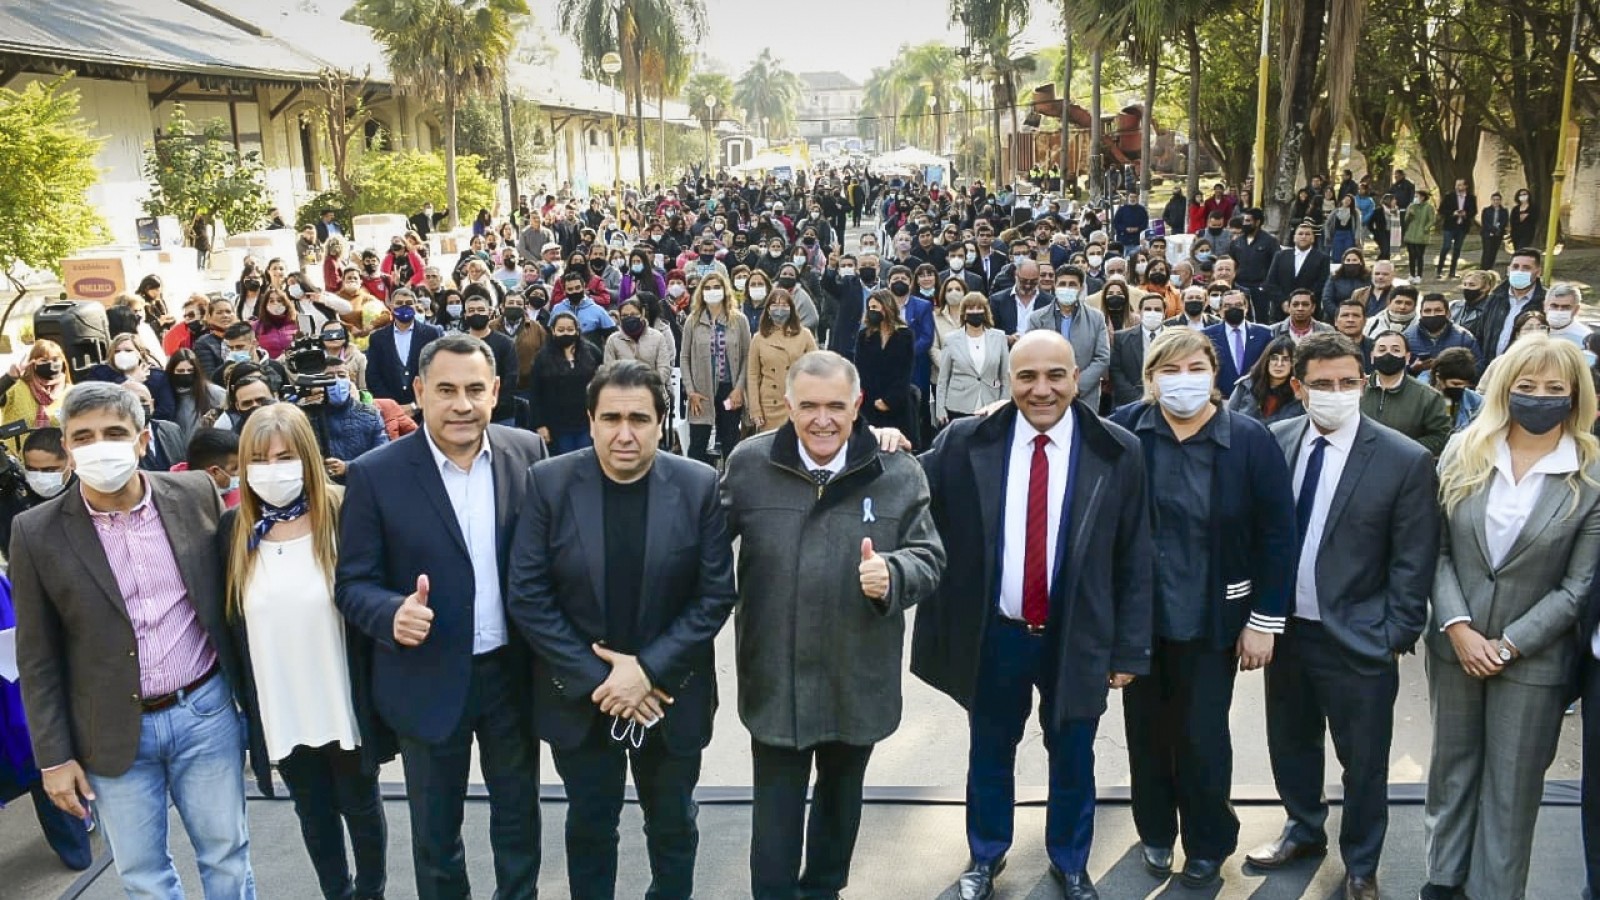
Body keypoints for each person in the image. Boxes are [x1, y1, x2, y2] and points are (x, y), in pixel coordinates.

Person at [916, 331, 1152, 900]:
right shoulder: (966, 441)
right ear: (1008, 381)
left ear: (1077, 378)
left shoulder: (1117, 450)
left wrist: (1128, 648)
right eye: (1026, 377)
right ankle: (985, 856)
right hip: (998, 632)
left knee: (1073, 751)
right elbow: (907, 488)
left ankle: (1070, 862)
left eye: (1055, 376)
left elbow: (1135, 553)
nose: (1041, 389)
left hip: (1078, 635)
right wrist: (876, 440)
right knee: (990, 749)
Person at [11, 382, 254, 897]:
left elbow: (232, 599)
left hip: (204, 713)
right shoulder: (35, 532)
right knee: (142, 875)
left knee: (227, 856)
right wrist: (53, 758)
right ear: (69, 449)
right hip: (110, 731)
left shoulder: (194, 495)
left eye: (115, 432)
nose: (101, 445)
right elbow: (37, 658)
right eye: (85, 436)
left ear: (143, 440)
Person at [504, 359, 736, 899]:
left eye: (639, 418)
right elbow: (529, 594)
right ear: (590, 421)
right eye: (611, 418)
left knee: (674, 826)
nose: (624, 433)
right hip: (582, 697)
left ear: (662, 422)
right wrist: (603, 682)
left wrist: (648, 672)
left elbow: (715, 593)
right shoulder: (549, 483)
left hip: (669, 694)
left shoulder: (698, 484)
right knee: (589, 828)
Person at [722, 349, 943, 899]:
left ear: (858, 406)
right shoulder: (749, 464)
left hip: (856, 672)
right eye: (810, 406)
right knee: (773, 824)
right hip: (773, 675)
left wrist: (893, 573)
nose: (823, 420)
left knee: (840, 804)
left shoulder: (898, 471)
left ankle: (824, 889)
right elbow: (699, 552)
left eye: (837, 407)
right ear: (788, 406)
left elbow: (930, 555)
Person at [335, 334, 547, 900]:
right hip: (426, 679)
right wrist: (390, 613)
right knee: (435, 835)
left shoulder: (528, 453)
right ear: (418, 392)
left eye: (475, 389)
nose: (462, 404)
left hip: (511, 676)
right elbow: (351, 583)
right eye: (447, 390)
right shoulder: (375, 474)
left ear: (496, 392)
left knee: (520, 821)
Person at [1248, 333, 1440, 900]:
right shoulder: (1274, 441)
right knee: (1290, 743)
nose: (1336, 393)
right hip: (1286, 634)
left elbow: (1415, 557)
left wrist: (1395, 634)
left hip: (1360, 639)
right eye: (1323, 384)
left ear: (1361, 383)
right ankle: (1304, 830)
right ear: (1299, 387)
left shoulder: (1405, 459)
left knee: (1363, 763)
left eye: (1347, 383)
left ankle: (1361, 863)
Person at [1108, 328, 1297, 888]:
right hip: (1141, 618)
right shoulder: (1122, 430)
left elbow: (1277, 535)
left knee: (1202, 734)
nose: (1183, 380)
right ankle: (1156, 833)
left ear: (1215, 375)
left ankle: (1209, 842)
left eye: (1196, 368)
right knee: (1145, 733)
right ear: (1150, 379)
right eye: (1170, 370)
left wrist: (1264, 623)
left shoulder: (1248, 439)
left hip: (1214, 617)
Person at [1420, 336, 1600, 900]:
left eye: (1554, 389)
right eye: (1526, 387)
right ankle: (1442, 883)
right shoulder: (1463, 450)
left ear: (1575, 397)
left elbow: (1579, 585)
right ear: (1504, 388)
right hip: (1455, 648)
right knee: (1451, 773)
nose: (1539, 398)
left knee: (1512, 789)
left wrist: (1509, 645)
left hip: (1535, 659)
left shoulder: (1591, 473)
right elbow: (1437, 550)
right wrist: (1458, 627)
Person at [222, 403, 392, 900]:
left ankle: (372, 892)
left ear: (310, 458)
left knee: (361, 807)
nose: (274, 469)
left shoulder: (345, 513)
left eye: (286, 456)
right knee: (312, 814)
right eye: (260, 458)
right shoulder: (234, 534)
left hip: (342, 697)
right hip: (281, 705)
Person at [680, 273, 751, 465]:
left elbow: (747, 356)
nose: (712, 292)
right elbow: (684, 358)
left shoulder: (739, 320)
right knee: (698, 442)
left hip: (729, 391)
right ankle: (698, 488)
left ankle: (730, 487)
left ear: (725, 290)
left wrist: (739, 389)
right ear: (701, 293)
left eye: (717, 287)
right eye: (708, 288)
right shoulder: (693, 321)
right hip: (701, 393)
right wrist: (690, 391)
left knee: (730, 439)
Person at [1025, 266, 1111, 411]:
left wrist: (1076, 385)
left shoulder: (1096, 318)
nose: (1067, 288)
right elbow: (1030, 356)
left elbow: (1102, 357)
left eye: (1072, 285)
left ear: (1081, 287)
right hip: (1047, 394)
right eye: (1062, 284)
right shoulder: (1037, 319)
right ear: (1055, 286)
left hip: (1085, 396)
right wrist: (1052, 384)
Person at [1362, 330, 1455, 456]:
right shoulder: (1355, 390)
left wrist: (1403, 449)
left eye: (1395, 350)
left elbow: (1441, 436)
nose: (1388, 354)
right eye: (1382, 350)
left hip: (1404, 466)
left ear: (1407, 358)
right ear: (1372, 356)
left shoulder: (1429, 397)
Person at [529, 311, 604, 455]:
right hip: (556, 425)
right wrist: (539, 425)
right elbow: (535, 393)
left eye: (570, 330)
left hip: (586, 423)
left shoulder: (592, 352)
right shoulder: (542, 358)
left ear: (577, 331)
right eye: (561, 330)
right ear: (553, 331)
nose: (566, 333)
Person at [745, 289, 819, 433]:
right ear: (767, 310)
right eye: (775, 305)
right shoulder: (758, 339)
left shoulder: (804, 335)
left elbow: (816, 370)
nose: (780, 309)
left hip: (797, 402)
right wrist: (755, 410)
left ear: (791, 309)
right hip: (769, 406)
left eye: (784, 305)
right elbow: (753, 376)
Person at [936, 293, 1010, 424]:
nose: (975, 312)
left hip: (991, 404)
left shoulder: (999, 337)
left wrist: (1004, 406)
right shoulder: (951, 339)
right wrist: (940, 409)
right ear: (964, 313)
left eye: (979, 307)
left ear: (985, 311)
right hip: (958, 405)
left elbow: (1005, 376)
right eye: (970, 308)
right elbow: (943, 378)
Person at [365, 288, 443, 410]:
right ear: (391, 306)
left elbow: (436, 369)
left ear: (416, 305)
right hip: (390, 410)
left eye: (408, 303)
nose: (404, 306)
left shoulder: (431, 334)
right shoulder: (377, 338)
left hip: (424, 408)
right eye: (399, 303)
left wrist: (416, 404)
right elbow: (373, 375)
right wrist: (393, 406)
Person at [83, 332, 177, 422]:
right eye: (117, 351)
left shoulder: (157, 377)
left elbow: (166, 411)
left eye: (128, 350)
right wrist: (131, 382)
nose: (122, 354)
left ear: (140, 353)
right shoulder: (100, 374)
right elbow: (93, 406)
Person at [0, 340, 70, 452]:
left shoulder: (71, 393)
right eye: (44, 360)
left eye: (55, 359)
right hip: (17, 464)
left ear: (63, 363)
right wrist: (9, 378)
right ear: (33, 363)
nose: (51, 364)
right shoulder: (17, 388)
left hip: (57, 464)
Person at [1205, 288, 1272, 397]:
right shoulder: (1207, 335)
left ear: (1246, 308)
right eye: (1228, 306)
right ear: (1220, 311)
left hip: (1256, 399)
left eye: (1238, 305)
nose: (1233, 309)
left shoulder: (1264, 334)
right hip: (1221, 399)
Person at [1263, 223, 1331, 325]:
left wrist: (1304, 303)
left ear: (1313, 238)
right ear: (1294, 237)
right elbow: (1270, 283)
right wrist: (1283, 302)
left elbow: (1321, 284)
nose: (1303, 236)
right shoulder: (1280, 255)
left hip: (1309, 313)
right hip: (1281, 312)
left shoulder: (1322, 258)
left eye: (1307, 234)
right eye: (1300, 234)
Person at [604, 296, 676, 391]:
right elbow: (609, 371)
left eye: (633, 314)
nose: (629, 318)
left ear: (642, 314)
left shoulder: (657, 337)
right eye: (625, 316)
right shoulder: (613, 340)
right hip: (624, 394)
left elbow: (664, 369)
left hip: (654, 393)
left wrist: (649, 386)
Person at [1229, 336, 1305, 424]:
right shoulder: (1246, 385)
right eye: (1274, 358)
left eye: (1285, 359)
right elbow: (1227, 419)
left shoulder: (1299, 392)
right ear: (1267, 360)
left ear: (1293, 363)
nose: (1279, 364)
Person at [1436, 178, 1477, 279]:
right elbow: (1441, 210)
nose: (1458, 187)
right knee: (1446, 247)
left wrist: (1466, 214)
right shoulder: (1449, 196)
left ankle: (1452, 272)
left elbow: (1474, 211)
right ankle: (1439, 271)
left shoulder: (1471, 198)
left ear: (1465, 186)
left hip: (1462, 227)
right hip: (1449, 226)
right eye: (1457, 185)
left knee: (1457, 249)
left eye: (1460, 185)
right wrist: (1452, 213)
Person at [1403, 189, 1437, 281]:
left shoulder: (1429, 207)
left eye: (1417, 196)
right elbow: (1406, 220)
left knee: (1419, 256)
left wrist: (1426, 228)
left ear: (1423, 197)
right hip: (1410, 234)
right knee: (1411, 256)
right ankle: (1411, 274)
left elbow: (1432, 220)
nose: (1415, 198)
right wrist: (1409, 214)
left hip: (1421, 235)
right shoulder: (1411, 206)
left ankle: (1419, 275)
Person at [1544, 283, 1591, 347]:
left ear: (1576, 310)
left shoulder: (1585, 338)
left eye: (1566, 307)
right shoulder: (1532, 329)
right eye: (1554, 306)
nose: (1559, 311)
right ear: (1545, 306)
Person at [1479, 192, 1509, 271]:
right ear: (1491, 200)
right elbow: (1485, 222)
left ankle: (1490, 268)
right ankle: (1483, 269)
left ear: (1500, 201)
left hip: (1498, 234)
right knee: (1487, 251)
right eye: (1494, 200)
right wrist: (1492, 229)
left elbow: (1504, 222)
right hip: (1487, 234)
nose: (1496, 201)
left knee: (1493, 252)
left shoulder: (1504, 211)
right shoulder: (1486, 210)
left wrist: (1497, 230)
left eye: (1498, 200)